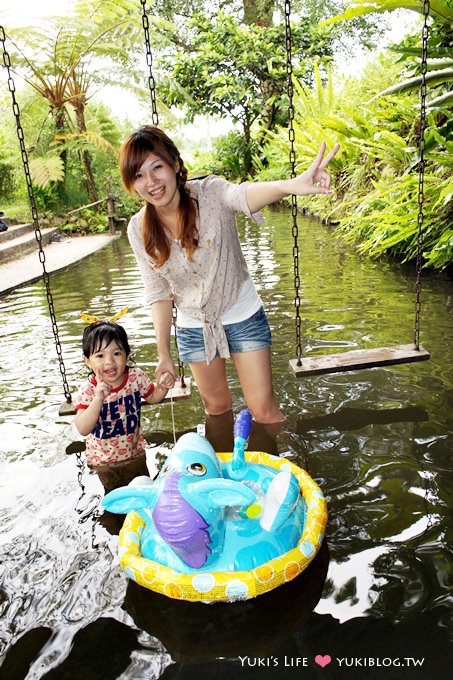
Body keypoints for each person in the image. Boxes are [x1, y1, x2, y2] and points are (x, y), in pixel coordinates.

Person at [119, 125, 339, 431]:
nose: (151, 182)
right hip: (194, 325)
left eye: (157, 167)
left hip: (241, 312)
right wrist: (164, 355)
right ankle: (223, 474)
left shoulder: (209, 193)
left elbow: (243, 195)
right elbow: (158, 293)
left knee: (264, 410)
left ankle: (288, 470)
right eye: (139, 175)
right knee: (216, 407)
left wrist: (290, 185)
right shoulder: (137, 228)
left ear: (175, 165)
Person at [74, 319, 175, 492]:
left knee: (144, 492)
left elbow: (152, 396)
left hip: (134, 454)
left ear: (127, 355)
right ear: (88, 361)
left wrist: (163, 387)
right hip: (104, 462)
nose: (109, 361)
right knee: (115, 499)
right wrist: (98, 399)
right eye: (100, 356)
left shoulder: (135, 377)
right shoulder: (88, 390)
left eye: (117, 353)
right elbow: (83, 428)